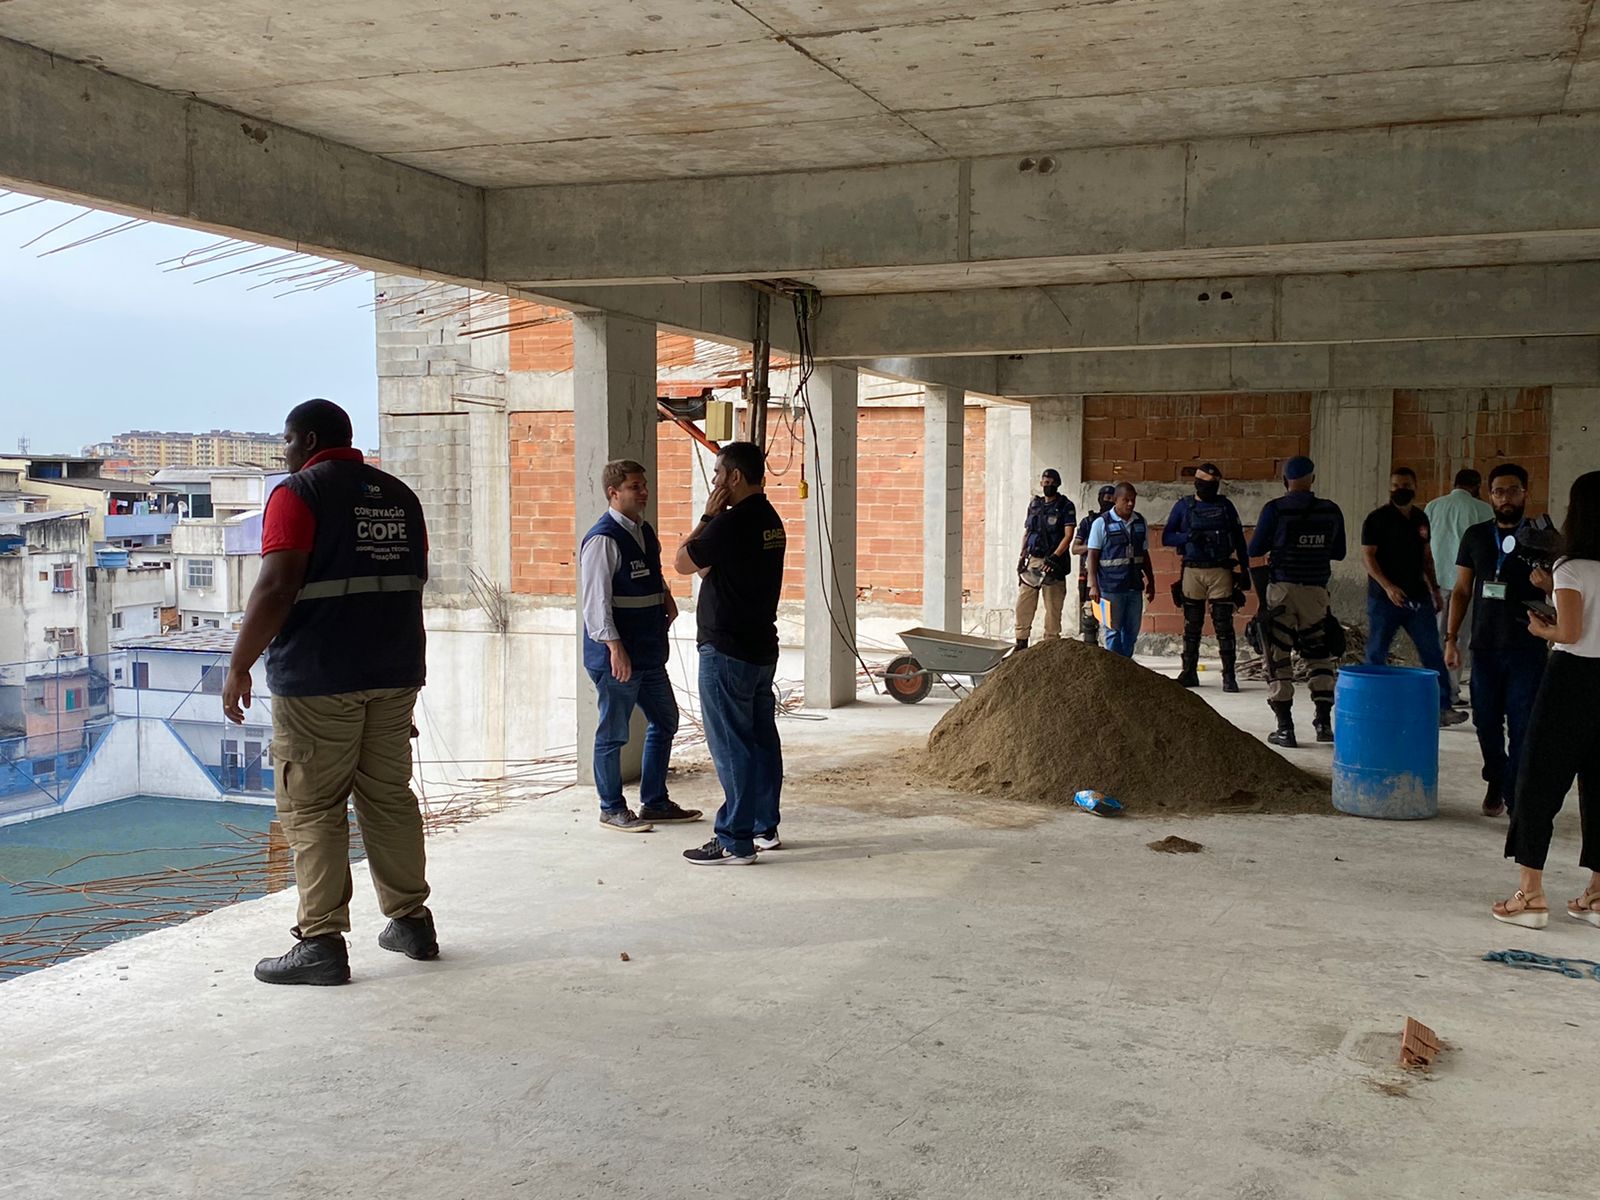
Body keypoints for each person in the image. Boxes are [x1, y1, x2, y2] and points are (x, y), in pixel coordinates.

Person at [222, 399, 436, 986]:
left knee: (312, 807)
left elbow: (276, 585)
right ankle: (412, 922)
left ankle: (319, 942)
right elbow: (410, 582)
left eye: (287, 441)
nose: (284, 453)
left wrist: (239, 663)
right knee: (388, 797)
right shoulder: (399, 496)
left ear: (309, 440)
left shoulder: (298, 494)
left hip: (319, 679)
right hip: (393, 674)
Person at [1491, 469, 1600, 930]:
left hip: (1570, 679)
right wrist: (1552, 590)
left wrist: (1543, 628)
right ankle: (1597, 895)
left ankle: (1531, 894)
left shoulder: (1570, 566)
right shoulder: (1568, 573)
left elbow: (1571, 631)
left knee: (1538, 781)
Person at [673, 441, 787, 865]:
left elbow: (684, 562)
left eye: (719, 474)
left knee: (732, 745)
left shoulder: (729, 523)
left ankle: (735, 839)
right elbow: (708, 567)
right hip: (760, 649)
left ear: (734, 477)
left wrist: (706, 516)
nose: (716, 481)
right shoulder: (770, 519)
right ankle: (763, 826)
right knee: (760, 742)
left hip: (727, 651)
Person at [579, 459, 701, 833]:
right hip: (619, 656)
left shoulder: (644, 531)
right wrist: (614, 648)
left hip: (648, 651)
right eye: (635, 486)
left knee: (664, 720)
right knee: (613, 732)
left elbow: (652, 572)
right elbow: (595, 603)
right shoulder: (603, 540)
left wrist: (665, 596)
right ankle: (611, 808)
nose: (643, 492)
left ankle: (654, 802)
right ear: (613, 493)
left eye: (644, 485)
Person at [1444, 464, 1549, 818]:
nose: (1506, 498)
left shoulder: (1544, 537)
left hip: (1528, 647)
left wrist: (1549, 586)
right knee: (1486, 722)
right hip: (1485, 647)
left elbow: (1566, 590)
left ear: (1525, 493)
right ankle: (1496, 776)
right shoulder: (1475, 536)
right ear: (1488, 495)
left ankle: (1516, 796)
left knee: (1521, 725)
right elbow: (1460, 590)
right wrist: (1451, 638)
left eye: (1513, 490)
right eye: (1499, 491)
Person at [1247, 456, 1346, 748]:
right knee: (1319, 654)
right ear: (1312, 479)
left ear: (1284, 480)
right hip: (1316, 591)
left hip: (1282, 592)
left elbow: (1255, 549)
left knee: (1277, 655)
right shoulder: (1331, 511)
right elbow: (1338, 552)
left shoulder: (1275, 509)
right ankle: (1324, 724)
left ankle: (1285, 728)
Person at [1361, 466, 1469, 728]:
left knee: (1432, 651)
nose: (1401, 489)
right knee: (1377, 652)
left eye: (1406, 485)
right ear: (1390, 488)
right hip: (1384, 599)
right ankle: (1372, 705)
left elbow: (1426, 557)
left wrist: (1434, 589)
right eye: (1396, 485)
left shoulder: (1421, 519)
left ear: (1415, 487)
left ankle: (1442, 707)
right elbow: (1368, 557)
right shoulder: (1376, 519)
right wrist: (1387, 587)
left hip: (1418, 597)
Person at [1162, 463, 1250, 691]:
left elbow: (1240, 540)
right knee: (1192, 626)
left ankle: (1229, 676)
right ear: (1197, 484)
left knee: (1224, 625)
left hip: (1221, 571)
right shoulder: (1183, 506)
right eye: (1206, 484)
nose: (1210, 488)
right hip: (1193, 571)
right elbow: (1167, 537)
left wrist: (1246, 571)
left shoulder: (1226, 506)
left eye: (1214, 484)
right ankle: (1189, 671)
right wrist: (1189, 537)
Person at [1426, 469, 1493, 706]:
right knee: (1459, 638)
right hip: (1465, 582)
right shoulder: (1482, 509)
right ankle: (1452, 691)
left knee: (1434, 637)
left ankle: (1431, 689)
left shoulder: (1433, 506)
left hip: (1435, 580)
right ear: (1477, 486)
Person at [1085, 482, 1156, 658]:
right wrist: (1093, 585)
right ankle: (1115, 670)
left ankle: (1127, 666)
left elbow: (1144, 554)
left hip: (1134, 586)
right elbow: (1092, 556)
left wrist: (1151, 581)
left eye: (1133, 500)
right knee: (1112, 631)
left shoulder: (1140, 522)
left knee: (1131, 632)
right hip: (1110, 587)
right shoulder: (1101, 523)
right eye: (1126, 500)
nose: (1130, 504)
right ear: (1116, 500)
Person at [1013, 469, 1076, 650]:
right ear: (1041, 483)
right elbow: (1028, 532)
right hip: (1034, 560)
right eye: (1045, 482)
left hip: (1054, 564)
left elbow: (1068, 535)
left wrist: (1055, 556)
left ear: (1058, 484)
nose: (1048, 486)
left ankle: (1050, 646)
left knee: (1053, 607)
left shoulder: (1065, 505)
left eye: (1052, 483)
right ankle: (1021, 642)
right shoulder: (1035, 505)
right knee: (1024, 602)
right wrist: (1022, 556)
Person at [1071, 485, 1116, 646]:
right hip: (1089, 576)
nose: (1109, 501)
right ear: (1099, 498)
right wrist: (1094, 547)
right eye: (1106, 498)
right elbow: (1075, 549)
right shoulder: (1088, 522)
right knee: (1089, 618)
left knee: (1111, 620)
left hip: (1110, 577)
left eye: (1112, 498)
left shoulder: (1117, 522)